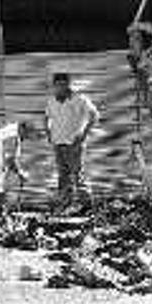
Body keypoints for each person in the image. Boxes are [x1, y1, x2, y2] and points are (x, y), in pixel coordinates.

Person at [44, 72, 100, 210]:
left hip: (73, 144)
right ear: (54, 86)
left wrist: (83, 135)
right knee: (63, 177)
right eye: (57, 85)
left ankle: (88, 207)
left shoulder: (79, 99)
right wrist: (48, 132)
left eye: (63, 84)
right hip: (58, 143)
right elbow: (46, 117)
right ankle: (65, 205)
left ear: (68, 84)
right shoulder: (52, 101)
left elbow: (94, 116)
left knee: (77, 176)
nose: (59, 88)